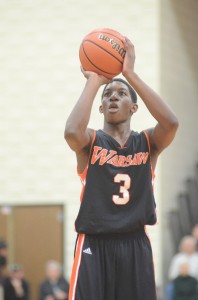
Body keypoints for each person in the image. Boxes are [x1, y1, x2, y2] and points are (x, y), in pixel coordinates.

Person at [64, 36, 179, 300]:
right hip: (94, 241)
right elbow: (72, 131)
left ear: (134, 107)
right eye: (108, 95)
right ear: (101, 107)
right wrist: (95, 81)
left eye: (122, 93)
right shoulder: (90, 141)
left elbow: (171, 123)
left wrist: (131, 75)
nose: (113, 96)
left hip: (135, 242)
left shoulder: (147, 143)